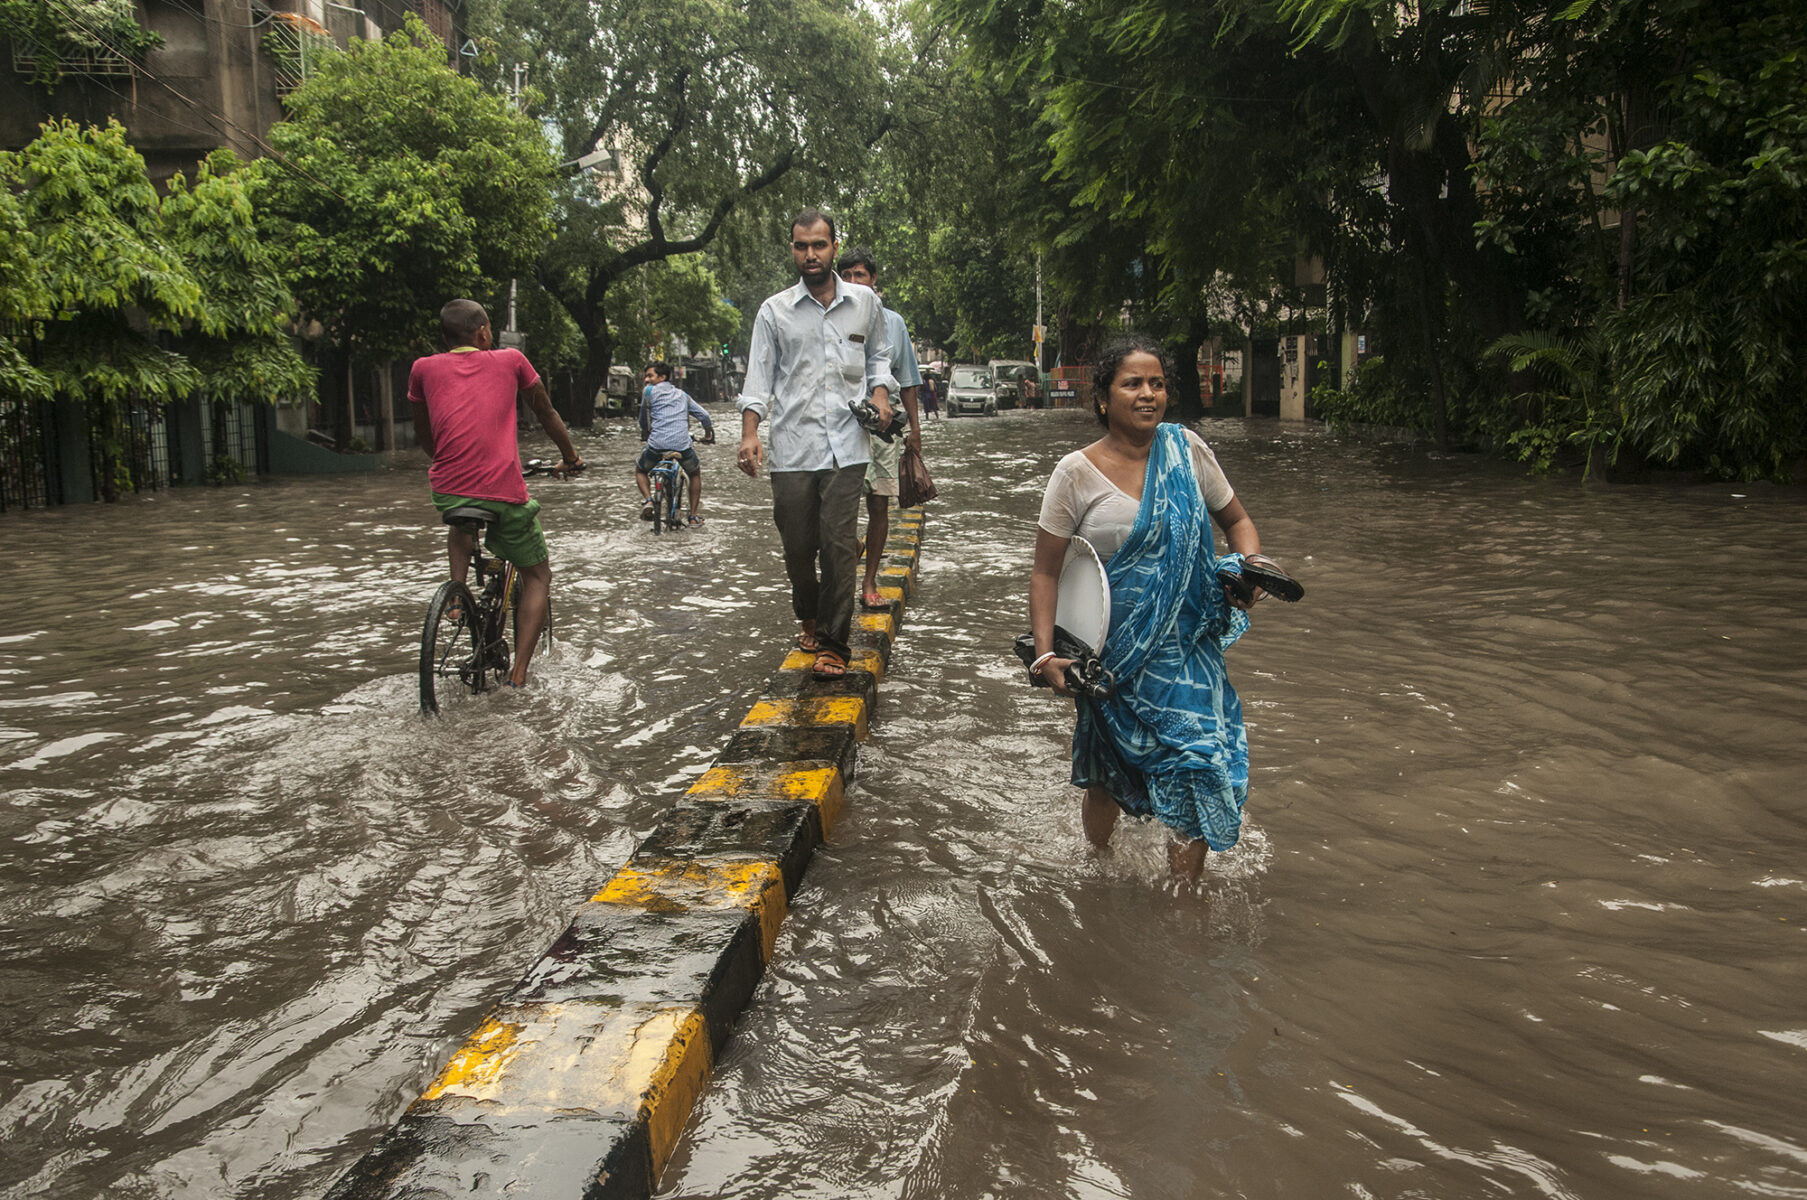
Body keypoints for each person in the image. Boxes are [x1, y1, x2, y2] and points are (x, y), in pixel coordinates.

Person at [1028, 334, 1274, 887]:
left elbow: (1237, 523)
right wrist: (1045, 656)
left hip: (1189, 648)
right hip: (1112, 657)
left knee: (1200, 760)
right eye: (1132, 383)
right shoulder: (1074, 473)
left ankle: (1184, 895)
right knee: (1107, 773)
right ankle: (1098, 870)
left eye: (1157, 384)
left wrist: (1248, 568)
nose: (1148, 394)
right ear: (1103, 398)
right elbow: (1047, 571)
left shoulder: (1186, 451)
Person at [736, 209, 897, 679]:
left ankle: (833, 643)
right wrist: (749, 433)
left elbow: (879, 356)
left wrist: (881, 395)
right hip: (792, 447)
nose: (811, 254)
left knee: (838, 544)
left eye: (819, 245)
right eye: (801, 246)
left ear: (833, 246)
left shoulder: (865, 302)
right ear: (792, 249)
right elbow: (758, 377)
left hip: (848, 446)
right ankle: (808, 613)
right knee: (798, 547)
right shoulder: (774, 311)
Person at [409, 299, 583, 688]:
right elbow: (546, 412)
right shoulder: (511, 360)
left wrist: (446, 461)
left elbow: (423, 430)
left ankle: (455, 596)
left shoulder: (422, 368)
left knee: (461, 522)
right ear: (483, 332)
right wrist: (570, 456)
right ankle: (518, 674)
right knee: (537, 576)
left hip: (447, 487)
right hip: (501, 490)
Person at [835, 246, 922, 610]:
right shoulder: (830, 320)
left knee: (879, 504)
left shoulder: (893, 323)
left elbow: (908, 380)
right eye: (849, 275)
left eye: (862, 275)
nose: (855, 282)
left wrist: (915, 430)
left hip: (883, 426)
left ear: (873, 281)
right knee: (837, 509)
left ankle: (869, 580)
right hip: (840, 425)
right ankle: (850, 552)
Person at [636, 360, 715, 525]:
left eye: (650, 376)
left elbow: (644, 419)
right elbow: (705, 416)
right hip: (682, 446)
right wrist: (708, 435)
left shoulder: (648, 392)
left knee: (640, 470)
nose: (646, 380)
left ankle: (648, 500)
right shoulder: (683, 396)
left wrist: (646, 431)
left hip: (656, 445)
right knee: (694, 474)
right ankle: (693, 516)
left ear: (662, 377)